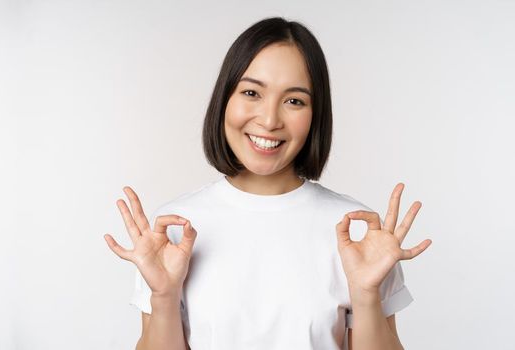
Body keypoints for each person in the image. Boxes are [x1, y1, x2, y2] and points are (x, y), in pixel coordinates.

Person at [103, 17, 432, 350]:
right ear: (224, 99)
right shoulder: (172, 230)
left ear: (315, 116)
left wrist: (365, 296)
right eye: (251, 92)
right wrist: (163, 296)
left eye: (294, 101)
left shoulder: (359, 232)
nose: (270, 120)